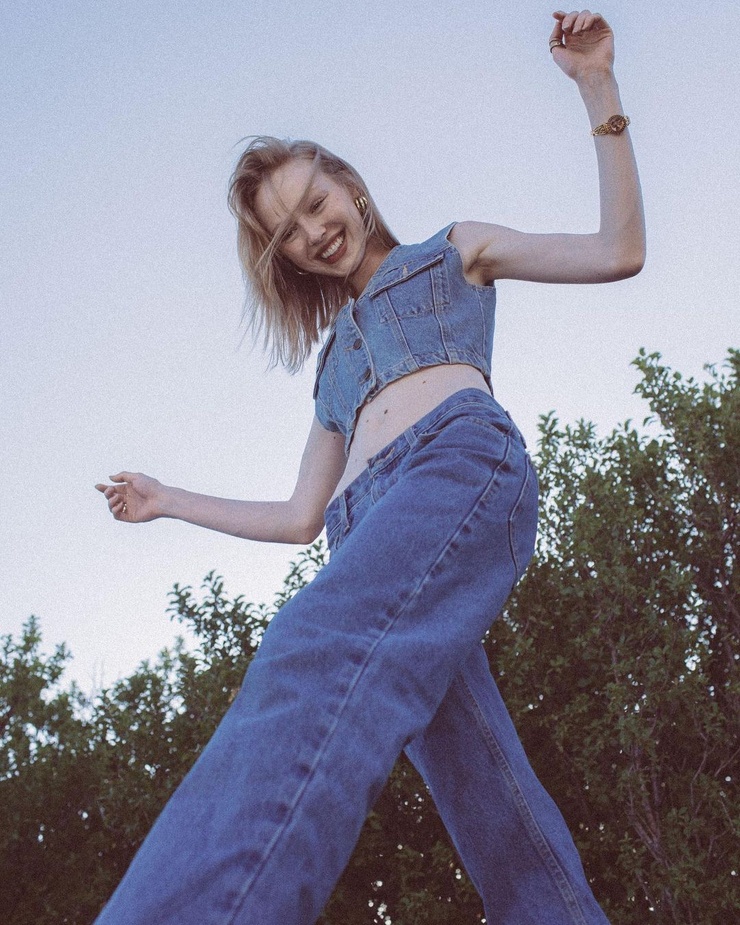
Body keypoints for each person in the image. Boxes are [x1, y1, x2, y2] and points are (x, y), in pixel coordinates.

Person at [95, 10, 644, 924]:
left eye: (317, 203)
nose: (314, 231)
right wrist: (167, 500)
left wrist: (598, 86)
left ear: (349, 187)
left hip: (456, 469)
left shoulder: (451, 251)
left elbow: (618, 250)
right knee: (484, 791)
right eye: (288, 231)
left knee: (308, 654)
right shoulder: (330, 369)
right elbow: (300, 517)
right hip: (360, 531)